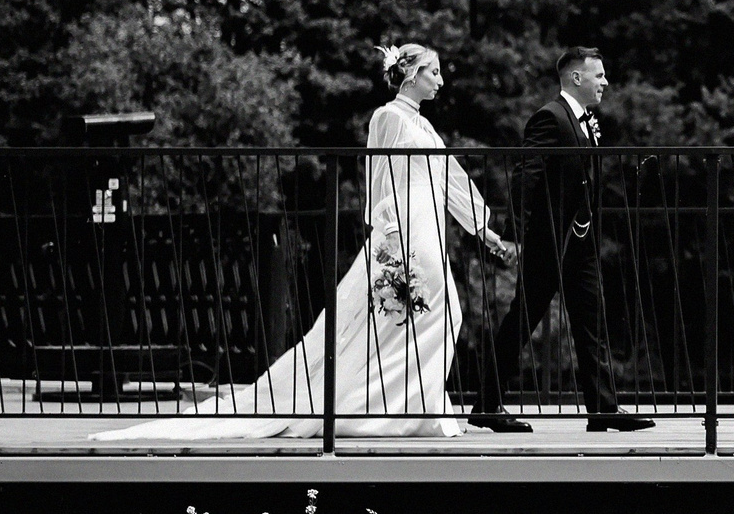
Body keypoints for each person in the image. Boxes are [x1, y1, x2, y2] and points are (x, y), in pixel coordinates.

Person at [95, 43, 517, 440]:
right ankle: (379, 409)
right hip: (405, 229)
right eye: (434, 72)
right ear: (410, 75)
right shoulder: (388, 117)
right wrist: (389, 235)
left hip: (429, 227)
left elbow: (449, 180)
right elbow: (381, 178)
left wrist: (484, 230)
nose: (441, 80)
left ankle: (411, 406)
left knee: (436, 315)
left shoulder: (423, 123)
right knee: (418, 315)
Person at [469, 45, 654, 432]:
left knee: (592, 323)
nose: (605, 81)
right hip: (548, 243)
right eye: (598, 75)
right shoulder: (549, 118)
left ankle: (602, 410)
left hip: (581, 244)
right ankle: (486, 405)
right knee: (522, 321)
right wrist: (516, 235)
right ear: (576, 77)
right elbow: (526, 176)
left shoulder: (585, 120)